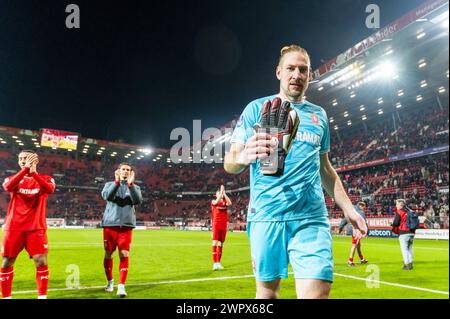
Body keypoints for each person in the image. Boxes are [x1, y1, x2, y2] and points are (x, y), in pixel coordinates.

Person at [224, 44, 367, 299]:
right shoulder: (257, 109)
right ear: (279, 72)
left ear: (310, 75)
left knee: (316, 294)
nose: (297, 75)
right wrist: (244, 155)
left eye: (303, 69)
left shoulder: (319, 116)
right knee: (267, 295)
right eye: (291, 68)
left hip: (310, 217)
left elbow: (325, 168)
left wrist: (349, 208)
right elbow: (230, 162)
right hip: (267, 216)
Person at [1, 150, 55, 299]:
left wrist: (33, 173)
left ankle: (42, 297)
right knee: (6, 262)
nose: (23, 160)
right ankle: (6, 297)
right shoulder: (11, 178)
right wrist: (25, 170)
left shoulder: (46, 178)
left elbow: (50, 189)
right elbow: (7, 187)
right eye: (20, 158)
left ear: (35, 160)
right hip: (14, 227)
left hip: (36, 228)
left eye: (26, 158)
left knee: (41, 261)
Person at [101, 163, 142, 297]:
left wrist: (130, 185)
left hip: (126, 227)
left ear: (131, 173)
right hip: (110, 226)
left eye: (128, 170)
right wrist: (117, 182)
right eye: (123, 169)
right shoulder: (109, 185)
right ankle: (110, 281)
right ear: (118, 171)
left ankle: (121, 286)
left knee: (124, 254)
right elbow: (107, 196)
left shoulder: (135, 187)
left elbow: (137, 200)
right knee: (109, 255)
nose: (125, 171)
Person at [338, 202, 369, 267]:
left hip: (352, 230)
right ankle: (350, 261)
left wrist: (340, 228)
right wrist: (366, 232)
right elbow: (364, 222)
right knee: (354, 245)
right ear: (361, 206)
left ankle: (362, 259)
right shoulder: (360, 212)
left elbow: (344, 220)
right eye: (363, 207)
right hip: (357, 231)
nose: (363, 209)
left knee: (358, 245)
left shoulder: (351, 210)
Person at [211, 185, 232, 271]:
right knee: (215, 242)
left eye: (220, 193)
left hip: (223, 225)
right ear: (216, 194)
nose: (220, 194)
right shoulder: (214, 201)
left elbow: (230, 203)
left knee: (220, 243)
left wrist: (224, 193)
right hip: (216, 224)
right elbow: (216, 202)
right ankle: (214, 263)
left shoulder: (224, 202)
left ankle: (218, 262)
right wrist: (221, 193)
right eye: (218, 193)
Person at [392, 199, 415, 270]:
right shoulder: (410, 211)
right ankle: (410, 264)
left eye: (397, 204)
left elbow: (396, 223)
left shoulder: (399, 212)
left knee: (404, 249)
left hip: (404, 232)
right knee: (410, 248)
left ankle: (406, 264)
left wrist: (392, 224)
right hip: (412, 232)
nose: (396, 206)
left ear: (400, 205)